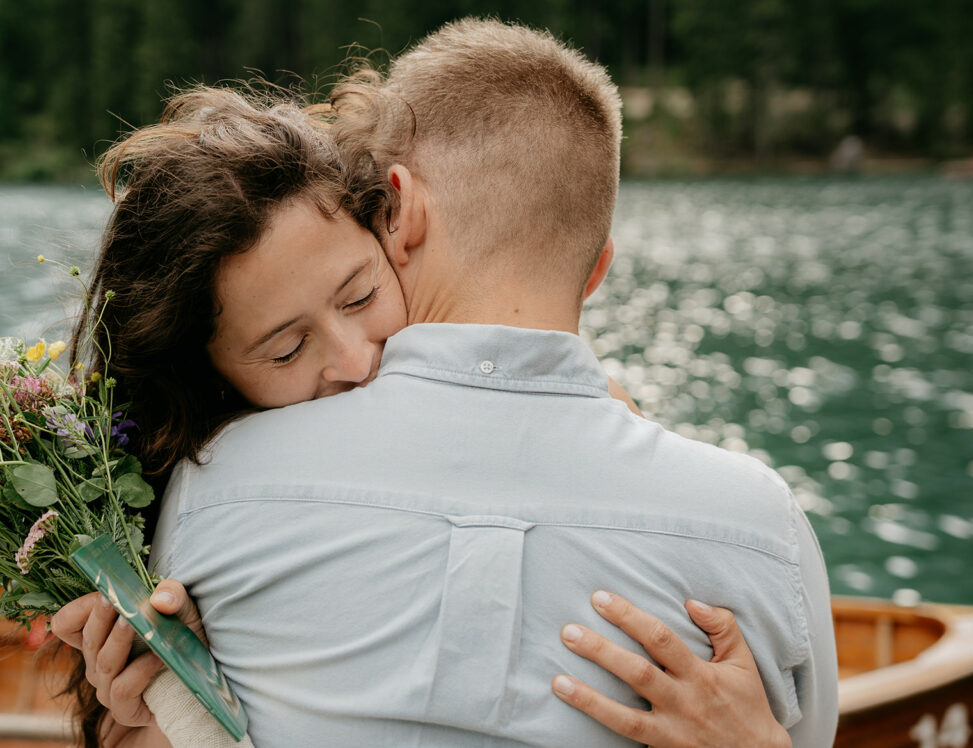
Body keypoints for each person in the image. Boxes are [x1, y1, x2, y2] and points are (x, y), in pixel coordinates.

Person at [53, 18, 837, 747]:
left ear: (396, 219)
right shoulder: (759, 525)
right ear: (597, 270)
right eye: (286, 350)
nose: (358, 363)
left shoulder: (209, 500)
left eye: (360, 296)